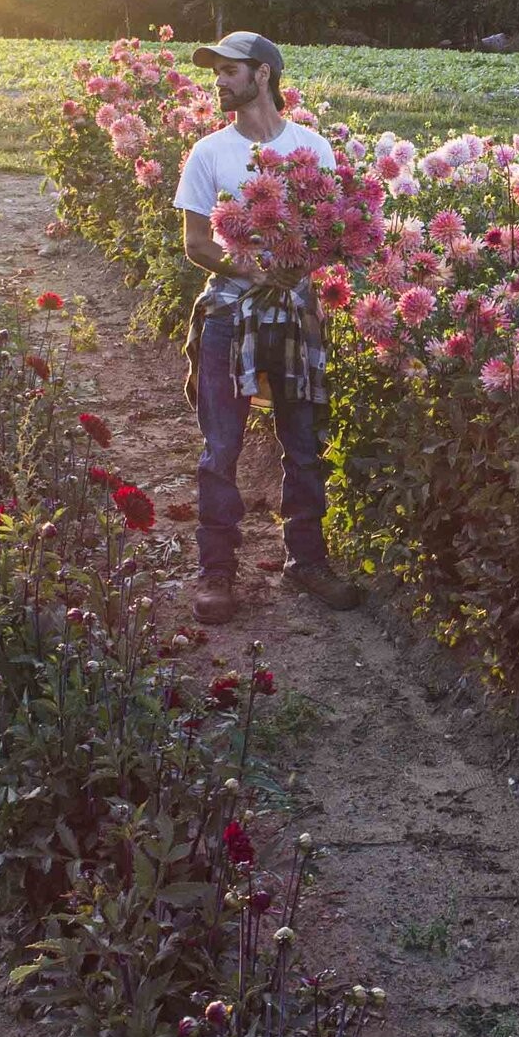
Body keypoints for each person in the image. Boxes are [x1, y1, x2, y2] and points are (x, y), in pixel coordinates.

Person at [174, 31, 366, 625]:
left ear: (262, 75)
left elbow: (333, 229)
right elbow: (196, 242)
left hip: (293, 313)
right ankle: (217, 570)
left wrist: (299, 265)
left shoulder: (315, 148)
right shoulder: (209, 152)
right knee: (221, 447)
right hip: (229, 314)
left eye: (229, 71)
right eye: (216, 72)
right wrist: (250, 265)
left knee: (303, 444)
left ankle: (306, 561)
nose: (218, 81)